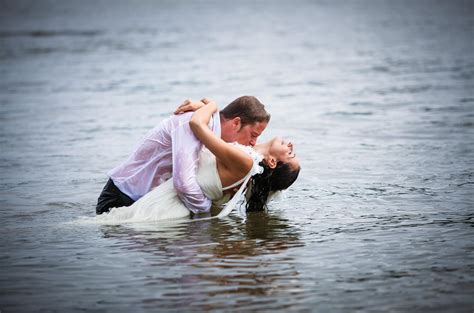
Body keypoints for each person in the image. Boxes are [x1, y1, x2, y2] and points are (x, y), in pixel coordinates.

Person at [96, 98, 300, 223]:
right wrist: (205, 215)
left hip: (148, 202)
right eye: (253, 134)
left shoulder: (227, 145)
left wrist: (209, 104)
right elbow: (184, 184)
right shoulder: (193, 123)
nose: (253, 142)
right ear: (237, 122)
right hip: (123, 196)